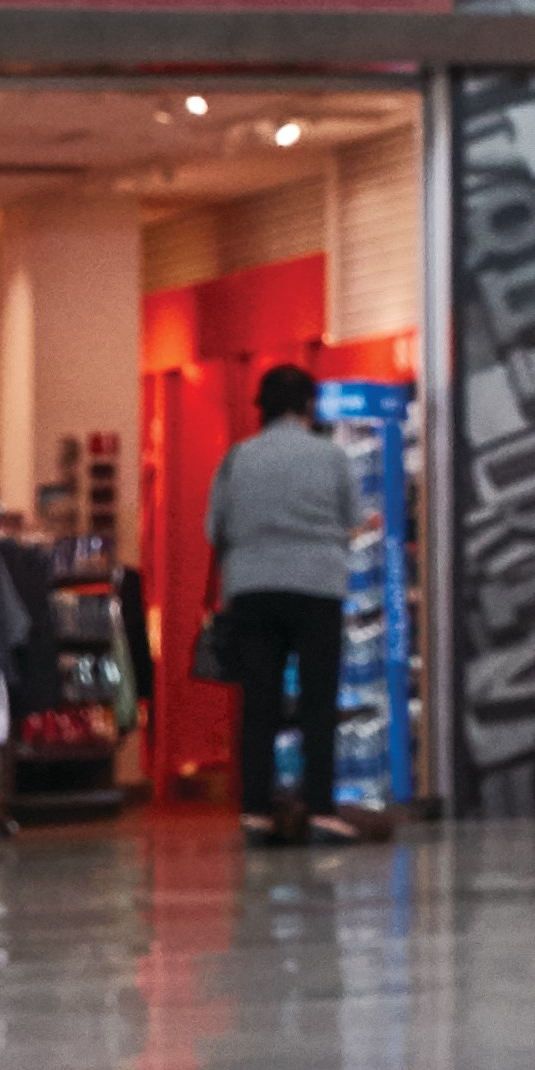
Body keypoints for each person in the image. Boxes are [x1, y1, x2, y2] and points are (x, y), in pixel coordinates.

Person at [203, 359, 373, 849]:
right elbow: (353, 520)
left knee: (259, 704)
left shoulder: (237, 459)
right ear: (306, 406)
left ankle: (255, 811)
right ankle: (320, 809)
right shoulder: (331, 456)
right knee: (319, 702)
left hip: (252, 590)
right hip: (318, 589)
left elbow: (213, 529)